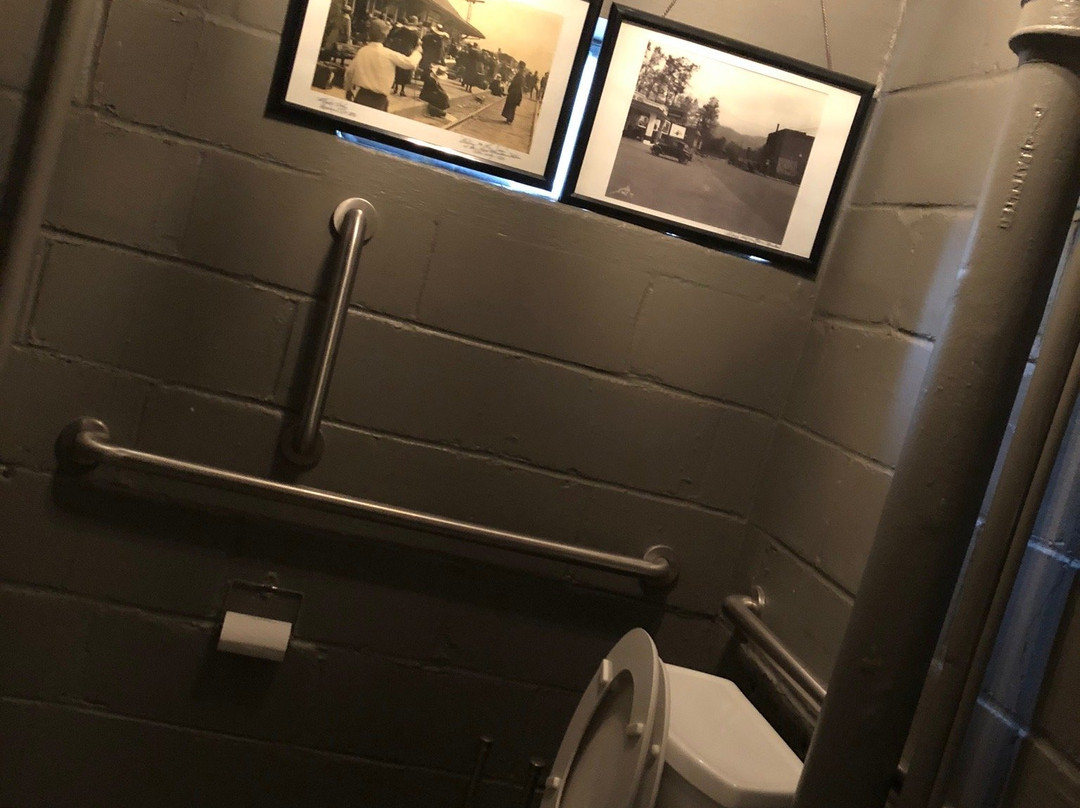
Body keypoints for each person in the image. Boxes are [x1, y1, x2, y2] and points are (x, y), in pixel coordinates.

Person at [344, 18, 421, 111]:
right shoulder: (388, 54)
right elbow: (410, 63)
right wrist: (417, 51)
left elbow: (349, 72)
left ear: (369, 35)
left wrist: (348, 89)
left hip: (361, 95)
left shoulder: (362, 51)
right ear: (385, 36)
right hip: (379, 100)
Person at [385, 15, 421, 96]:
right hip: (408, 51)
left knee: (398, 67)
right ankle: (402, 90)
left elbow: (394, 36)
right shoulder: (416, 32)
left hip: (400, 48)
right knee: (406, 70)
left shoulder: (402, 29)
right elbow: (416, 44)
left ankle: (395, 87)